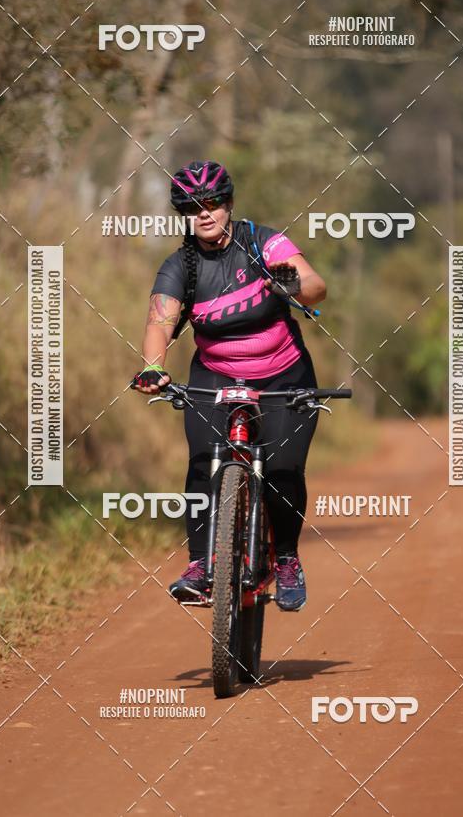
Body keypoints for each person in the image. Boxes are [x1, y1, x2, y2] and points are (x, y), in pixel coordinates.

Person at [132, 160, 326, 611]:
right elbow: (160, 322)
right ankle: (201, 564)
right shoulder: (180, 265)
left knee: (281, 473)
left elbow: (316, 286)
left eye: (213, 203)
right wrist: (152, 367)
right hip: (216, 374)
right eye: (191, 206)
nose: (204, 213)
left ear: (229, 203)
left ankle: (288, 559)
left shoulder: (264, 242)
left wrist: (294, 283)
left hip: (283, 373)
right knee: (202, 466)